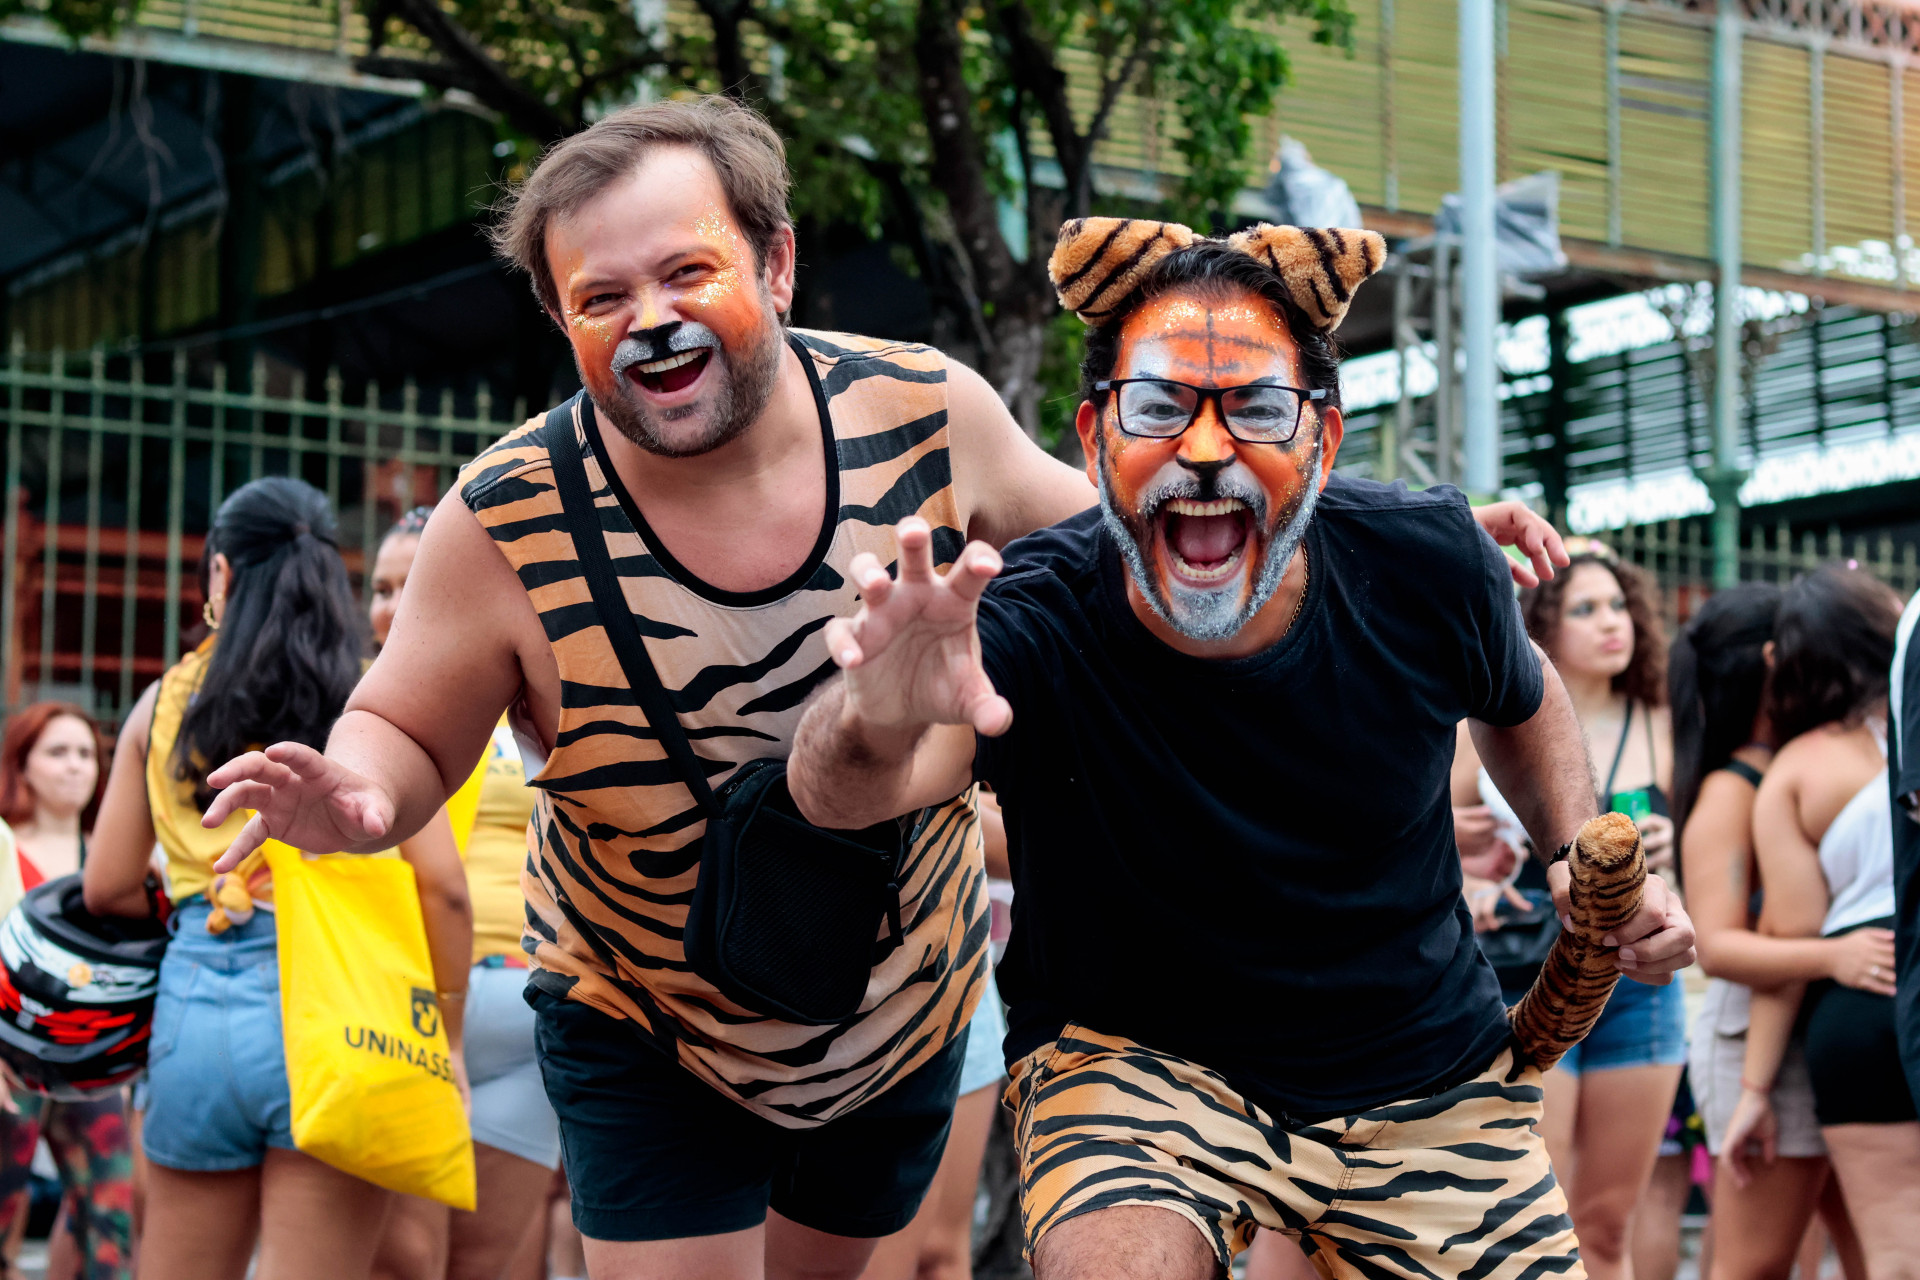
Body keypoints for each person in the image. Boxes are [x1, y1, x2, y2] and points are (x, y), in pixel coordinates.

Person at [194, 100, 1567, 1280]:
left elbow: (1139, 531)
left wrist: (1383, 527)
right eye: (604, 299)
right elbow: (399, 726)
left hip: (896, 998)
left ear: (778, 262)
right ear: (558, 316)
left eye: (688, 271)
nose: (653, 320)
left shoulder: (927, 410)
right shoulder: (502, 515)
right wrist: (356, 789)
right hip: (643, 1010)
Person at [784, 215, 1696, 1280]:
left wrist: (1573, 853)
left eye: (1258, 408)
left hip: (1422, 1071)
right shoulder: (1034, 616)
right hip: (1136, 1068)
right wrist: (872, 716)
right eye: (1161, 406)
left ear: (1325, 438)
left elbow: (1522, 694)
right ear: (1092, 438)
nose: (1206, 452)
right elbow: (858, 793)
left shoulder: (1426, 556)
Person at [79, 478, 472, 1280]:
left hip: (194, 1012)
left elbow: (106, 885)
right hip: (335, 1017)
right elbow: (446, 889)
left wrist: (196, 904)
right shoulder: (372, 706)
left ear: (221, 574)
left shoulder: (162, 703)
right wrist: (451, 1032)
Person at [1452, 543, 1685, 1280]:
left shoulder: (1659, 719)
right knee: (1534, 1221)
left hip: (1638, 985)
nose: (1612, 623)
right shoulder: (1485, 717)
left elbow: (1694, 867)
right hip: (1527, 975)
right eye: (1586, 609)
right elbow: (1437, 847)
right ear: (1545, 625)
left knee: (1608, 1222)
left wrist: (1668, 846)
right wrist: (1475, 884)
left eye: (1618, 606)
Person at [367, 508, 563, 1280]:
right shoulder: (358, 713)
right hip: (402, 1007)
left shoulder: (534, 697)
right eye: (380, 588)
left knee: (481, 1266)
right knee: (405, 1264)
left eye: (408, 584)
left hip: (521, 999)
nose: (391, 606)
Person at [1723, 566, 1917, 1278]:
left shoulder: (1798, 772)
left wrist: (1753, 1093)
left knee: (1897, 1254)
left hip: (1864, 1005)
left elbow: (1791, 939)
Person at [1672, 584, 1869, 1280]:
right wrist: (1836, 955)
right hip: (1754, 1040)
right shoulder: (1733, 790)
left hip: (1828, 1033)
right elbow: (1719, 947)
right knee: (1754, 1264)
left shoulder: (1816, 763)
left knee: (1873, 1251)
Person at [0, 703, 135, 1280]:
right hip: (8, 1065)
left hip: (90, 1067)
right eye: (57, 753)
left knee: (110, 1229)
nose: (76, 766)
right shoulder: (4, 844)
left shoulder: (114, 859)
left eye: (86, 753)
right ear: (22, 767)